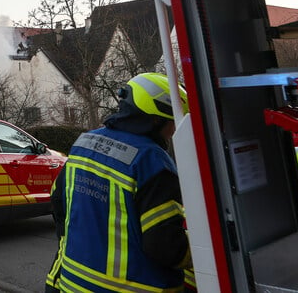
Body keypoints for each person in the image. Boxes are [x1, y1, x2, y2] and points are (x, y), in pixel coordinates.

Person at [45, 73, 192, 292]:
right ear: (156, 118)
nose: (173, 131)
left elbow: (58, 201)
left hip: (71, 284)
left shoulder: (84, 144)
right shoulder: (151, 161)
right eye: (173, 122)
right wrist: (203, 253)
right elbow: (164, 245)